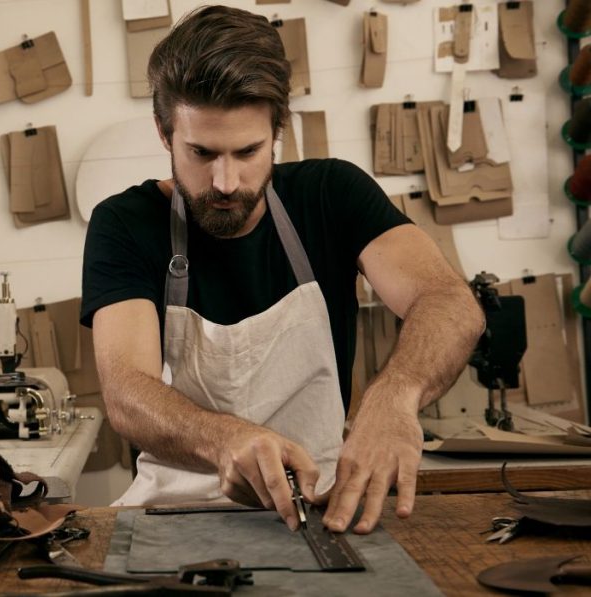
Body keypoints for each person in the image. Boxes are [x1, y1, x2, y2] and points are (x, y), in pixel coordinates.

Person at [80, 5, 484, 535]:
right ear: (164, 134)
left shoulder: (332, 195)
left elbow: (449, 302)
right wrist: (226, 441)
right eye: (201, 152)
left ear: (278, 130)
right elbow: (127, 391)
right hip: (173, 512)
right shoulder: (125, 224)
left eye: (247, 151)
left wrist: (396, 395)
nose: (225, 181)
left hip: (323, 506)